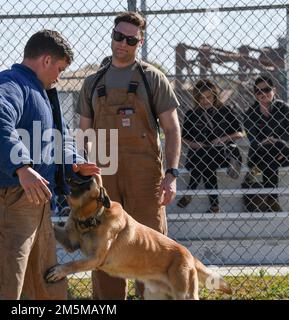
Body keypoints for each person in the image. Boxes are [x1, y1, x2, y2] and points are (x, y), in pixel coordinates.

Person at [0, 30, 100, 300]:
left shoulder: (38, 92)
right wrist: (22, 168)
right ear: (46, 60)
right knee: (3, 282)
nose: (59, 76)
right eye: (60, 69)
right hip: (7, 198)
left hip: (35, 200)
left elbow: (55, 139)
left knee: (47, 280)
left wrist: (75, 163)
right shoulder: (8, 85)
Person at [76, 11, 181, 300]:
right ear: (112, 36)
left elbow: (172, 130)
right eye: (117, 36)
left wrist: (171, 175)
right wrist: (82, 176)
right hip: (103, 175)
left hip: (144, 177)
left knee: (150, 247)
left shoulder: (153, 79)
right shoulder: (92, 83)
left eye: (130, 40)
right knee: (104, 248)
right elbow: (83, 133)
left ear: (140, 42)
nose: (122, 43)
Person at [177, 79, 244, 213]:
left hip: (220, 152)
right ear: (196, 98)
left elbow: (240, 133)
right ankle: (214, 206)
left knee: (207, 157)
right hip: (199, 153)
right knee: (206, 158)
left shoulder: (225, 110)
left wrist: (222, 139)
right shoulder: (192, 114)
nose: (205, 101)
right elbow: (183, 139)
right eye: (201, 98)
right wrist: (194, 144)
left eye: (208, 97)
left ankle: (191, 192)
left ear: (214, 95)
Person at [244, 76, 289, 212]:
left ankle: (272, 198)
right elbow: (253, 139)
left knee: (274, 149)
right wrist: (268, 142)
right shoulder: (250, 113)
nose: (262, 93)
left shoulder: (285, 109)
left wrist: (278, 142)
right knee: (268, 152)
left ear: (274, 90)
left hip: (284, 152)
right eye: (258, 91)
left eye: (266, 89)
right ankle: (272, 199)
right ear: (255, 94)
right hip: (262, 153)